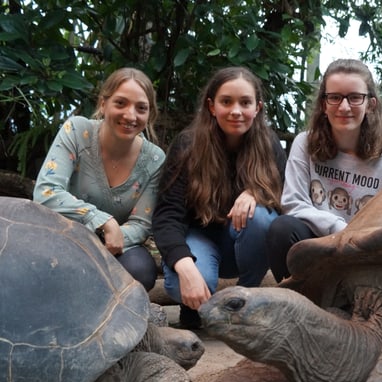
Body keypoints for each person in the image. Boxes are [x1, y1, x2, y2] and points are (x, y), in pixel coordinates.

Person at [152, 66, 286, 328]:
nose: (236, 110)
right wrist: (186, 267)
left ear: (257, 108)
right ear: (212, 106)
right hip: (199, 237)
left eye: (245, 102)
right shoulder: (188, 145)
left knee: (261, 217)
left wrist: (255, 193)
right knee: (184, 282)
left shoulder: (269, 145)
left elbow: (284, 198)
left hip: (243, 244)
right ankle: (192, 309)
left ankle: (244, 302)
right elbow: (167, 215)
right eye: (227, 102)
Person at [267, 58, 382, 282]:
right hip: (315, 244)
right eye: (335, 97)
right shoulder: (304, 144)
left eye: (355, 97)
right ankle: (297, 298)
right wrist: (338, 228)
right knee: (281, 229)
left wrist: (355, 241)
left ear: (371, 104)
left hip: (359, 253)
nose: (344, 107)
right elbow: (293, 204)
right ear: (323, 104)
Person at [33, 67, 165, 292]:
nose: (130, 115)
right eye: (120, 103)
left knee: (140, 269)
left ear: (150, 114)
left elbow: (141, 225)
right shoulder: (76, 130)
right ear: (103, 104)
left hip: (114, 248)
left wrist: (107, 241)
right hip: (61, 236)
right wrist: (102, 221)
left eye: (141, 108)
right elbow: (46, 192)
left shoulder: (155, 159)